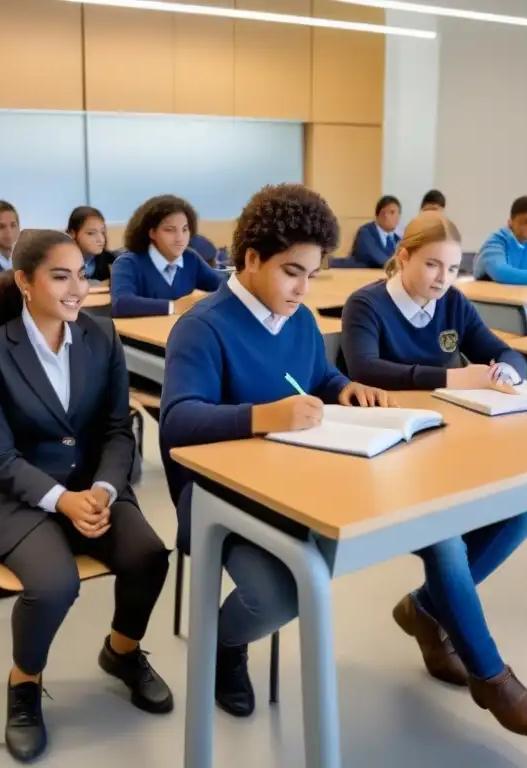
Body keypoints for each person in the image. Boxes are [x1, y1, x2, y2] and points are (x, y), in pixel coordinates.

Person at [159, 183, 394, 718]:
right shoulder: (201, 327)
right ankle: (224, 645)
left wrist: (342, 389)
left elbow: (315, 373)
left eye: (312, 275)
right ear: (251, 258)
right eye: (293, 272)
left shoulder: (300, 320)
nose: (303, 290)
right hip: (216, 496)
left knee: (341, 549)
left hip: (291, 482)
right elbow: (176, 422)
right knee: (279, 597)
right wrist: (264, 417)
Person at [340, 211, 527, 736]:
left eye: (452, 267)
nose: (444, 277)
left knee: (524, 509)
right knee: (445, 540)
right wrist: (451, 375)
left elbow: (500, 349)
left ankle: (424, 609)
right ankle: (492, 676)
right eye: (433, 264)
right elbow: (366, 368)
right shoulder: (366, 303)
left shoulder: (454, 302)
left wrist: (509, 369)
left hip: (446, 442)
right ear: (403, 257)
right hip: (383, 452)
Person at [0, 229, 173, 762]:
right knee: (54, 586)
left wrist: (102, 489)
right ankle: (24, 683)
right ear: (24, 282)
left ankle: (121, 653)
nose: (78, 287)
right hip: (21, 498)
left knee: (149, 556)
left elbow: (117, 430)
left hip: (94, 490)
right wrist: (62, 499)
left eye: (83, 273)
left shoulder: (102, 337)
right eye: (61, 276)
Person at [110, 195, 225, 318]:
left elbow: (222, 284)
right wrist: (173, 306)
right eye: (170, 230)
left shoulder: (190, 258)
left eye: (185, 230)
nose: (180, 238)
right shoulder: (127, 263)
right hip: (141, 335)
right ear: (152, 232)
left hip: (180, 332)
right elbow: (121, 303)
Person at [348, 195, 402, 268]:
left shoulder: (398, 240)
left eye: (392, 212)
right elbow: (381, 259)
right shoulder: (366, 232)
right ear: (377, 216)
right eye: (383, 213)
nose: (387, 216)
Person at [66, 205, 115, 282]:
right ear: (72, 233)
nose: (101, 239)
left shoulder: (111, 260)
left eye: (102, 232)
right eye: (91, 233)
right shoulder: (62, 262)